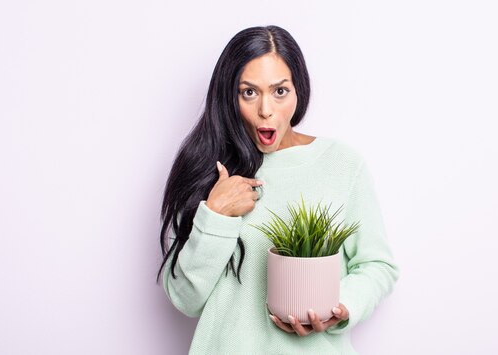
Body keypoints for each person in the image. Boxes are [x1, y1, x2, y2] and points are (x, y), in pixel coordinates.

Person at [157, 25, 399, 355]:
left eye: (280, 91)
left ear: (298, 90)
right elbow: (186, 299)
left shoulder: (341, 164)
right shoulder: (209, 170)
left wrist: (340, 306)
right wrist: (215, 216)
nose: (266, 110)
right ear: (230, 97)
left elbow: (377, 266)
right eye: (249, 92)